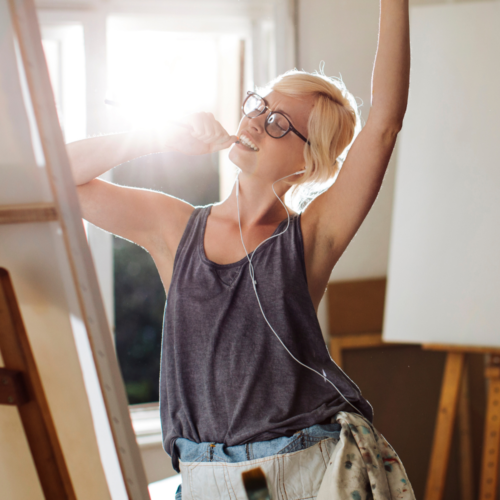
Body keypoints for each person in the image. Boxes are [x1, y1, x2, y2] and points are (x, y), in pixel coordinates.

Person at [69, 0, 414, 498]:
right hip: (203, 477)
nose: (255, 123)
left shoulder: (310, 238)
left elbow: (383, 125)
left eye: (278, 124)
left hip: (303, 473)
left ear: (307, 162)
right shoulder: (175, 228)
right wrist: (158, 136)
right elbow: (56, 176)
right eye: (259, 106)